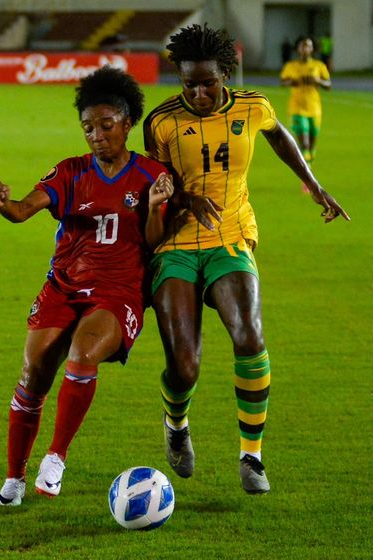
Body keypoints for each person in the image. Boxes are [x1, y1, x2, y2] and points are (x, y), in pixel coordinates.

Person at [143, 24, 349, 494]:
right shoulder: (160, 121)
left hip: (232, 234)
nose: (198, 92)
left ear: (226, 74)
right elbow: (153, 185)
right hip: (176, 243)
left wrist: (315, 187)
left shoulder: (254, 106)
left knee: (249, 336)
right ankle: (176, 423)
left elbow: (279, 138)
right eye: (189, 83)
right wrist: (182, 201)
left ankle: (251, 457)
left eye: (208, 82)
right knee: (185, 365)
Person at [0, 67, 173, 506]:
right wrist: (3, 204)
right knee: (33, 375)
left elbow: (154, 241)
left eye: (106, 125)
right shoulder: (71, 172)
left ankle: (56, 456)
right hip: (64, 285)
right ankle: (14, 479)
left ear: (127, 125)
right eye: (88, 127)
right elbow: (22, 210)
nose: (96, 135)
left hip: (118, 289)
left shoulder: (151, 174)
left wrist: (154, 206)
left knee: (83, 354)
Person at [280, 36, 331, 175]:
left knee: (312, 145)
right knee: (305, 144)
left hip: (314, 109)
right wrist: (292, 82)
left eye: (308, 46)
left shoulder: (319, 66)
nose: (305, 49)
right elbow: (282, 82)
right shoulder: (291, 66)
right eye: (302, 46)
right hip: (296, 108)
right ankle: (306, 175)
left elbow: (328, 85)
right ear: (298, 49)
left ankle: (309, 166)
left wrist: (318, 81)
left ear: (312, 49)